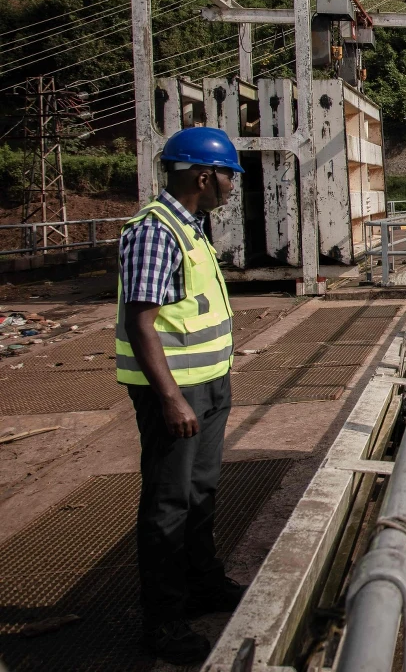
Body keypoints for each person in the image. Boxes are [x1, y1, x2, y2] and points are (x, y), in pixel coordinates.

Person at [116, 127, 245, 664]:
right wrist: (170, 398)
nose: (233, 187)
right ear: (204, 176)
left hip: (209, 384)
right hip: (176, 391)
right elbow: (140, 322)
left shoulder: (192, 228)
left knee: (200, 491)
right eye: (230, 177)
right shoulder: (156, 231)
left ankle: (203, 584)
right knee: (168, 502)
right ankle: (164, 622)